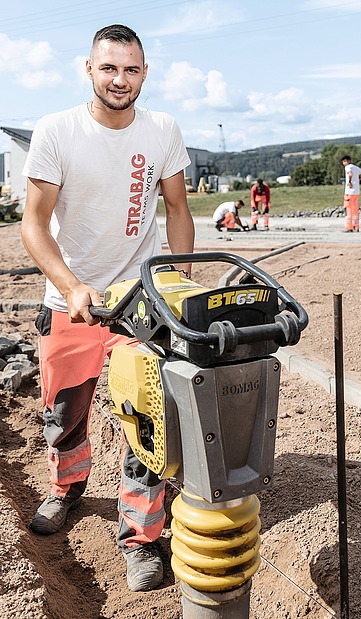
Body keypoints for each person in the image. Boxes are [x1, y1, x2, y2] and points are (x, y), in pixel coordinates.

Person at [21, 24, 194, 593]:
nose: (120, 79)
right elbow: (34, 224)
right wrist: (71, 286)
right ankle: (67, 489)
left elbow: (175, 209)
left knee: (147, 423)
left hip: (136, 305)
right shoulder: (57, 132)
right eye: (109, 68)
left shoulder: (163, 130)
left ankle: (140, 537)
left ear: (145, 73)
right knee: (64, 417)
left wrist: (176, 278)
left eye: (132, 69)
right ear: (88, 69)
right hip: (69, 303)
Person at [341, 155, 361, 232]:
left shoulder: (348, 167)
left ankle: (349, 227)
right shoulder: (356, 168)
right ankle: (356, 227)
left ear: (348, 161)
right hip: (356, 192)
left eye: (344, 161)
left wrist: (349, 181)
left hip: (349, 192)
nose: (344, 163)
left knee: (349, 209)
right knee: (355, 210)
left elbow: (350, 174)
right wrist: (359, 179)